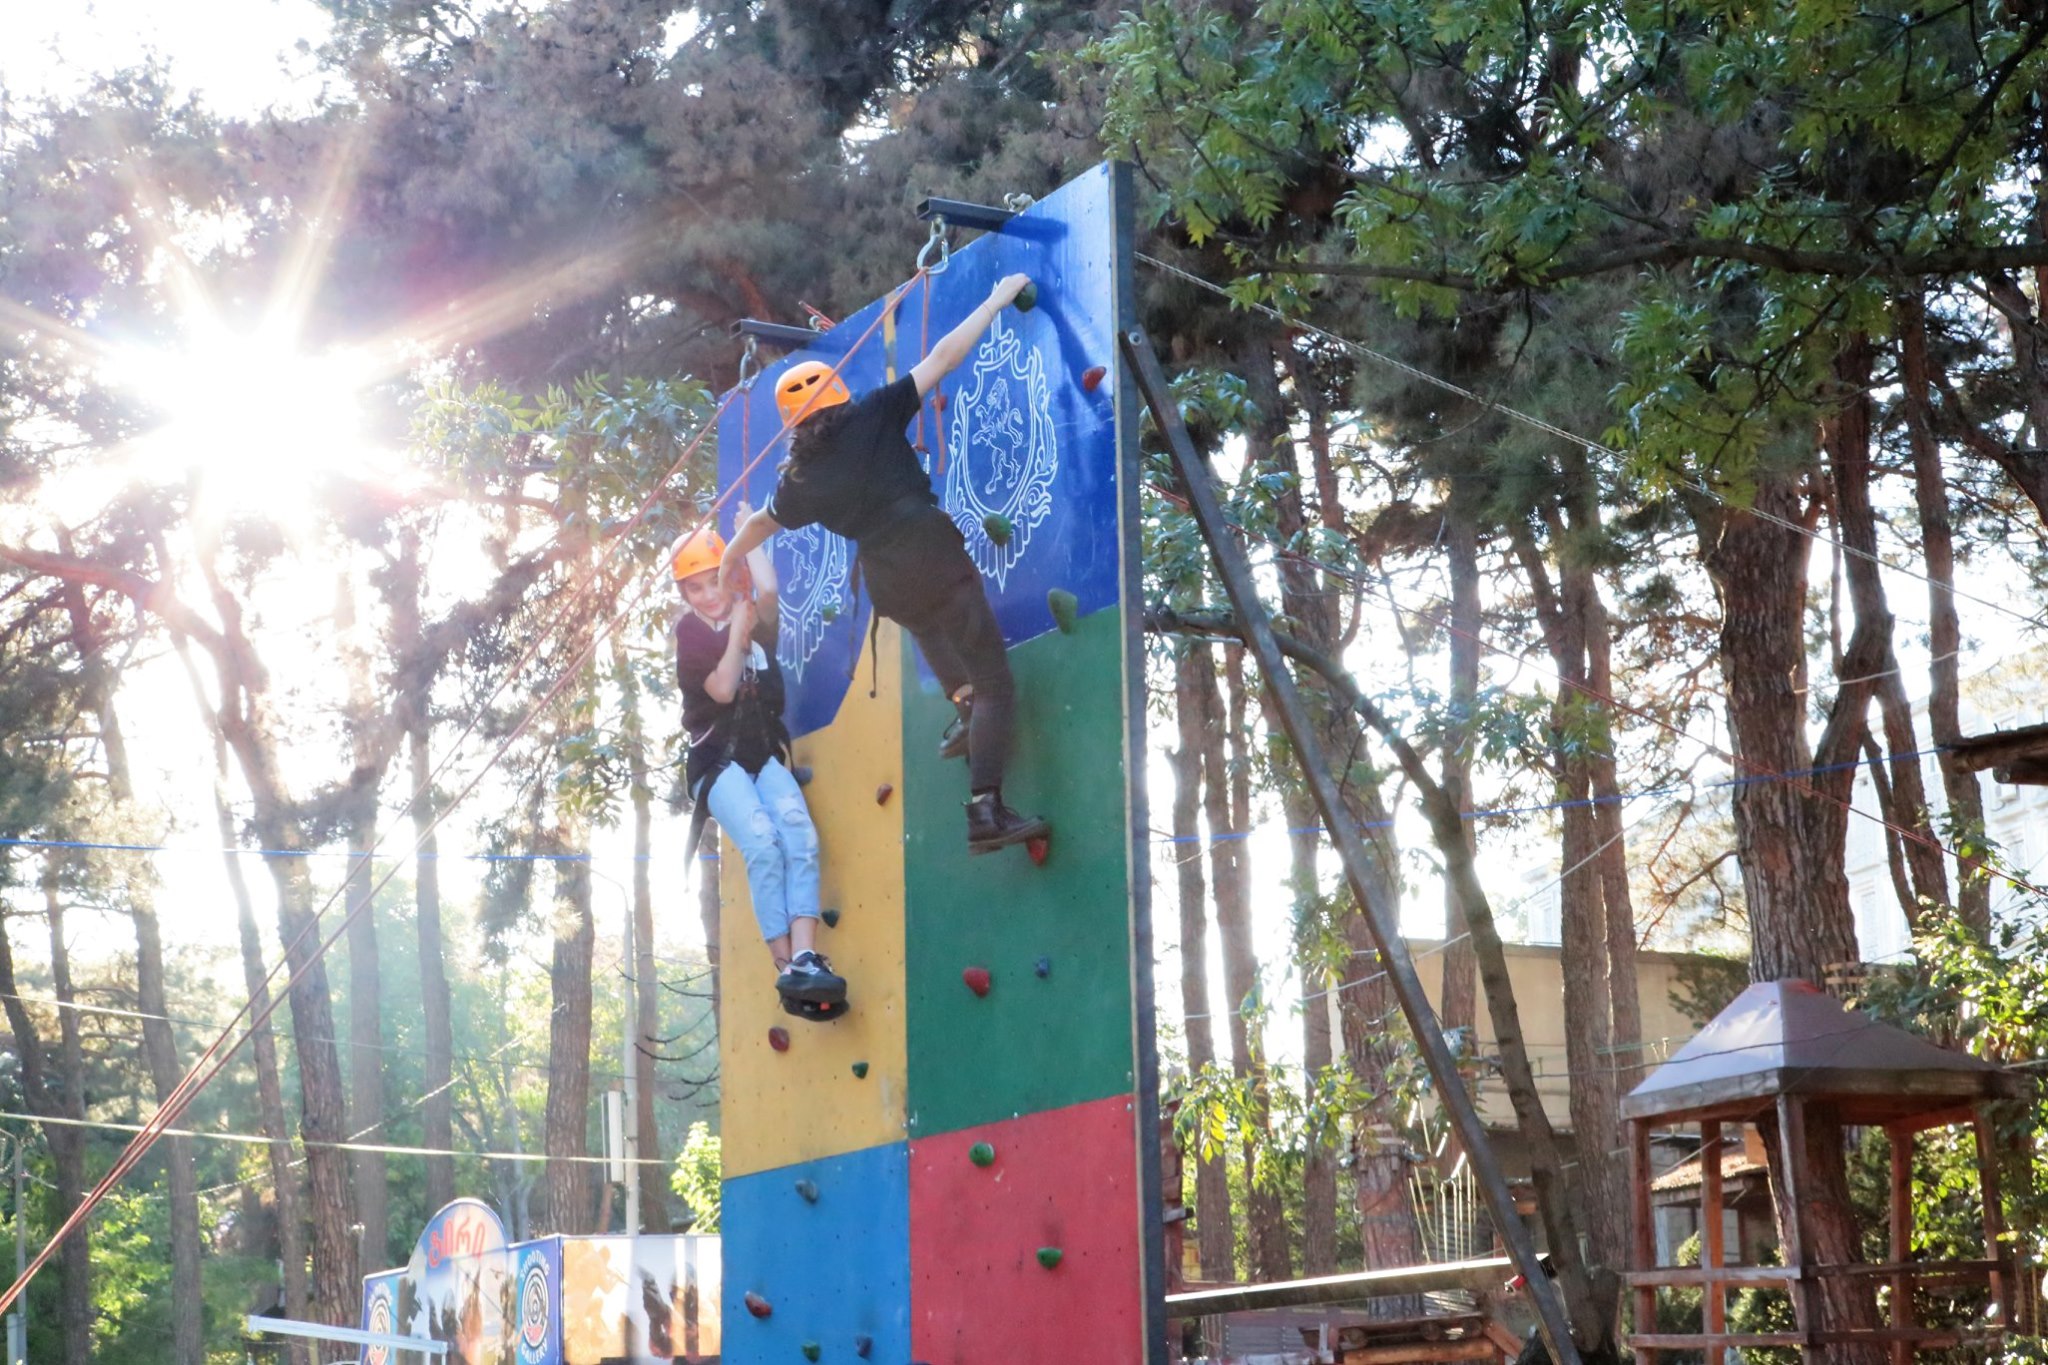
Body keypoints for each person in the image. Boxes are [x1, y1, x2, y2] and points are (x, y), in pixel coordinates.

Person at [720, 273, 1050, 855]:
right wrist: (996, 300)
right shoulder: (873, 413)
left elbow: (760, 525)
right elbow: (944, 357)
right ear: (839, 396)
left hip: (888, 580)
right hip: (930, 551)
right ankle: (985, 808)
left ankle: (963, 709)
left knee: (932, 631)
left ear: (794, 423)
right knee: (996, 683)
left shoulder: (801, 480)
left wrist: (728, 557)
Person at [671, 511, 845, 1014]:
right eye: (696, 587)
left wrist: (750, 534)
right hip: (716, 762)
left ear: (731, 575)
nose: (709, 594)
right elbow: (723, 689)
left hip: (763, 753)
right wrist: (735, 634)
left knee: (800, 835)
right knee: (763, 844)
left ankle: (806, 957)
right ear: (684, 594)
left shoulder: (751, 612)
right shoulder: (691, 634)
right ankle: (785, 966)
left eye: (716, 580)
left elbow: (768, 591)